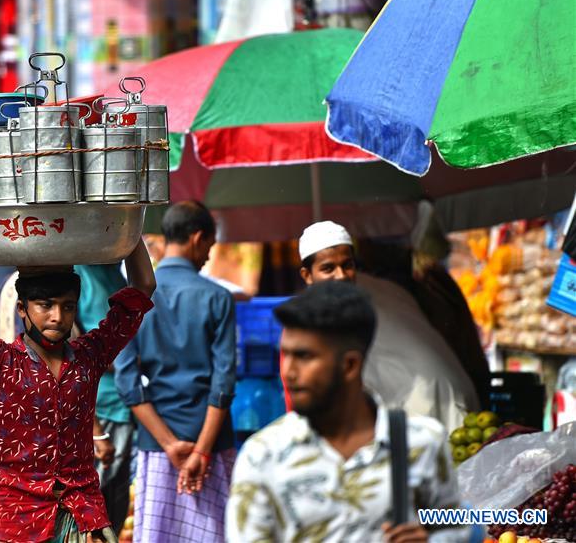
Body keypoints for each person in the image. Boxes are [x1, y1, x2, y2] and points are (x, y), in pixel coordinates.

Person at [0, 191, 156, 543]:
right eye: (45, 305)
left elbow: (143, 287)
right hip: (21, 522)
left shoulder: (89, 356)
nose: (58, 317)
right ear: (22, 310)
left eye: (67, 306)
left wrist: (129, 220)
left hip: (84, 518)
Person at [226, 281, 466, 543]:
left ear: (350, 365)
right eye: (285, 355)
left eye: (304, 356)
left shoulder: (421, 442)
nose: (289, 372)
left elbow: (457, 527)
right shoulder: (262, 456)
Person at [115, 201, 237, 543]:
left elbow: (128, 384)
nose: (208, 257)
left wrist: (170, 445)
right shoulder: (218, 297)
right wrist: (200, 451)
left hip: (157, 445)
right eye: (210, 247)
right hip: (212, 445)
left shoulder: (133, 300)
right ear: (198, 239)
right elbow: (223, 382)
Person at [294, 221, 479, 431]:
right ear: (307, 276)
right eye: (328, 269)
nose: (341, 275)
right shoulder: (380, 290)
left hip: (423, 406)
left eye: (347, 265)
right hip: (437, 397)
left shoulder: (344, 305)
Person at [74, 264, 134, 537]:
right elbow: (72, 351)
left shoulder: (112, 270)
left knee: (114, 505)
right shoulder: (78, 274)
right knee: (90, 512)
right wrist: (96, 431)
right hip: (100, 408)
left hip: (123, 404)